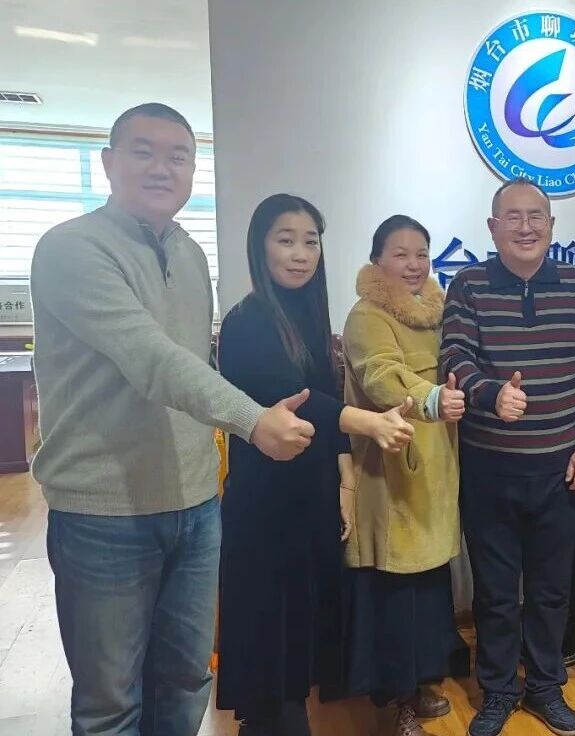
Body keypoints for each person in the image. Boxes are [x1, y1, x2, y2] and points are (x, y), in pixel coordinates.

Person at [30, 103, 315, 736]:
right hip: (103, 511)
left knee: (185, 681)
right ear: (109, 163)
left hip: (195, 505)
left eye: (178, 156)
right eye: (144, 152)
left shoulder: (188, 254)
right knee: (110, 703)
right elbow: (151, 358)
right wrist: (253, 420)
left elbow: (193, 361)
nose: (162, 168)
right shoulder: (70, 248)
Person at [215, 194, 414, 735]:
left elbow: (325, 387)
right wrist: (370, 422)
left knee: (299, 642)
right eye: (286, 240)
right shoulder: (247, 321)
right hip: (265, 506)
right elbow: (302, 400)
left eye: (310, 241)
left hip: (310, 496)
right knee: (269, 644)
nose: (301, 254)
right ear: (260, 247)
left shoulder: (307, 315)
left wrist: (345, 480)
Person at [441, 178, 575, 736]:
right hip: (488, 467)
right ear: (492, 228)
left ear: (552, 226)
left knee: (551, 590)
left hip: (559, 470)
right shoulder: (467, 285)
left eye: (536, 216)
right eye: (512, 217)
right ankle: (497, 691)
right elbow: (455, 358)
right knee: (494, 592)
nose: (525, 227)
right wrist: (491, 393)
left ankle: (544, 687)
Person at [339, 215, 465, 736]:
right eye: (400, 253)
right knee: (391, 590)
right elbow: (381, 374)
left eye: (422, 254)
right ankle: (394, 699)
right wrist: (433, 398)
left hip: (436, 472)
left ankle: (421, 681)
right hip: (392, 468)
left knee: (428, 587)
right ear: (377, 260)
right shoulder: (366, 315)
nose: (414, 264)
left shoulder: (436, 314)